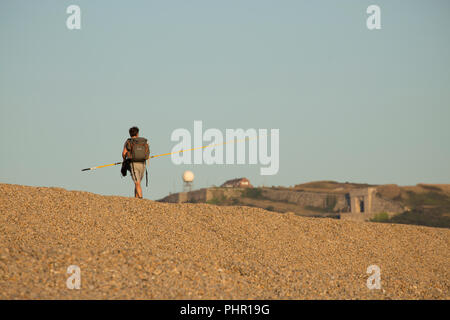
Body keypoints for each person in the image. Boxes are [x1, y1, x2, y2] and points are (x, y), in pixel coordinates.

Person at [122, 126, 149, 198]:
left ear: (130, 134)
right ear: (137, 133)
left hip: (134, 164)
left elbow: (124, 153)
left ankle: (140, 199)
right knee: (137, 183)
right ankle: (136, 199)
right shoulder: (143, 141)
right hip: (143, 164)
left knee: (137, 183)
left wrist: (124, 161)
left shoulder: (129, 141)